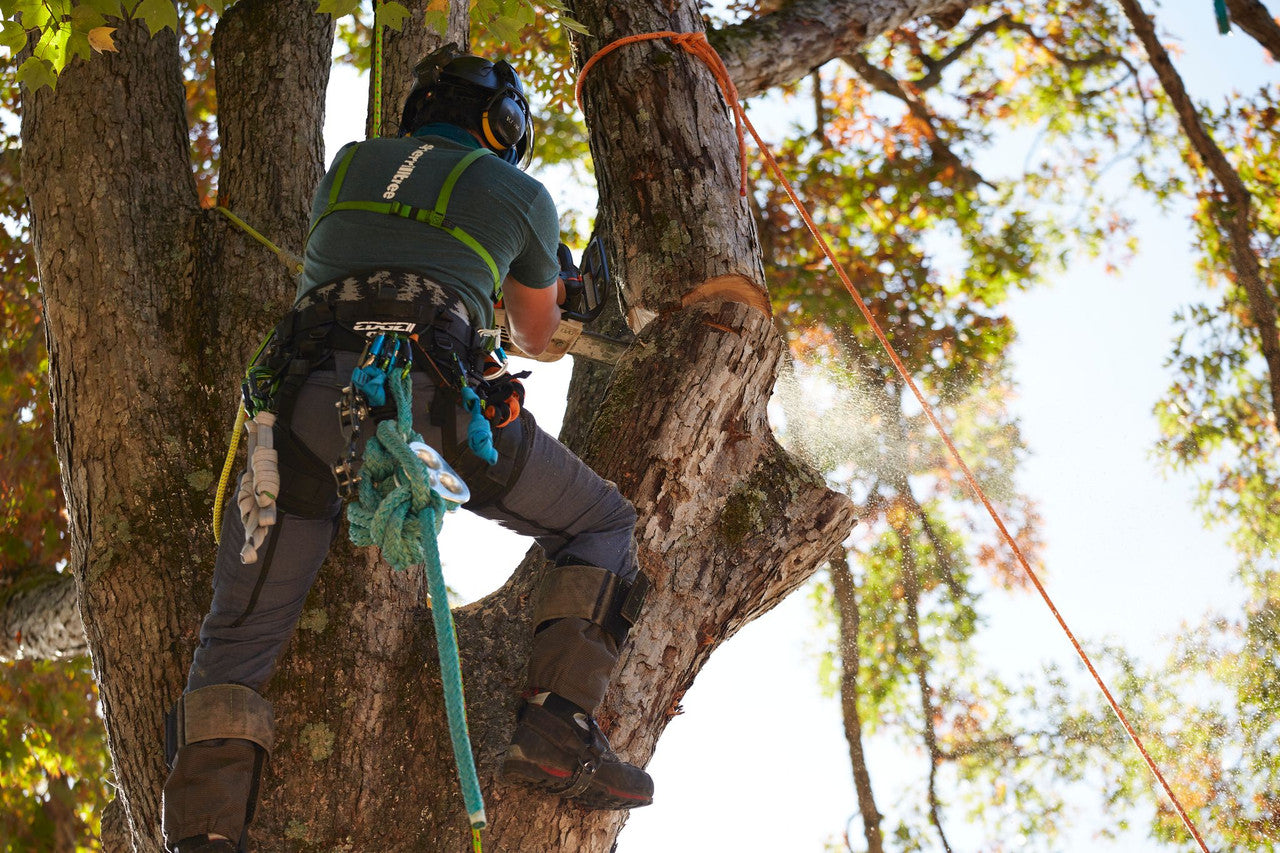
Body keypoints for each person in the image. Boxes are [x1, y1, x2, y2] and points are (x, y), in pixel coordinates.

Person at [161, 50, 653, 853]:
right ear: (505, 126)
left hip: (300, 410)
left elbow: (391, 245)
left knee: (236, 640)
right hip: (430, 395)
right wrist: (560, 289)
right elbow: (537, 333)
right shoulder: (522, 195)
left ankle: (203, 834)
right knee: (603, 523)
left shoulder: (350, 165)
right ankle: (558, 731)